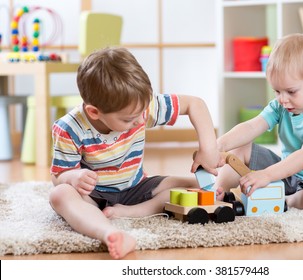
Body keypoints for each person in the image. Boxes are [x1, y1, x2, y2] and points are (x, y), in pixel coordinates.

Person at [49, 47, 219, 259]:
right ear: (94, 112)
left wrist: (208, 149)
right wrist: (73, 177)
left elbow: (195, 104)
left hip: (137, 186)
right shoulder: (68, 128)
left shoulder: (139, 108)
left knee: (201, 185)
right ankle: (109, 232)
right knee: (60, 195)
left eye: (142, 113)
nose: (140, 121)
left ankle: (132, 212)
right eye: (129, 120)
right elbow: (58, 176)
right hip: (94, 196)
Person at [215, 33, 303, 213]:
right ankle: (218, 193)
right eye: (277, 91)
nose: (283, 99)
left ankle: (289, 200)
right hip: (287, 173)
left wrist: (267, 174)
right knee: (240, 148)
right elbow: (253, 126)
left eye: (291, 92)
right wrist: (218, 145)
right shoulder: (281, 105)